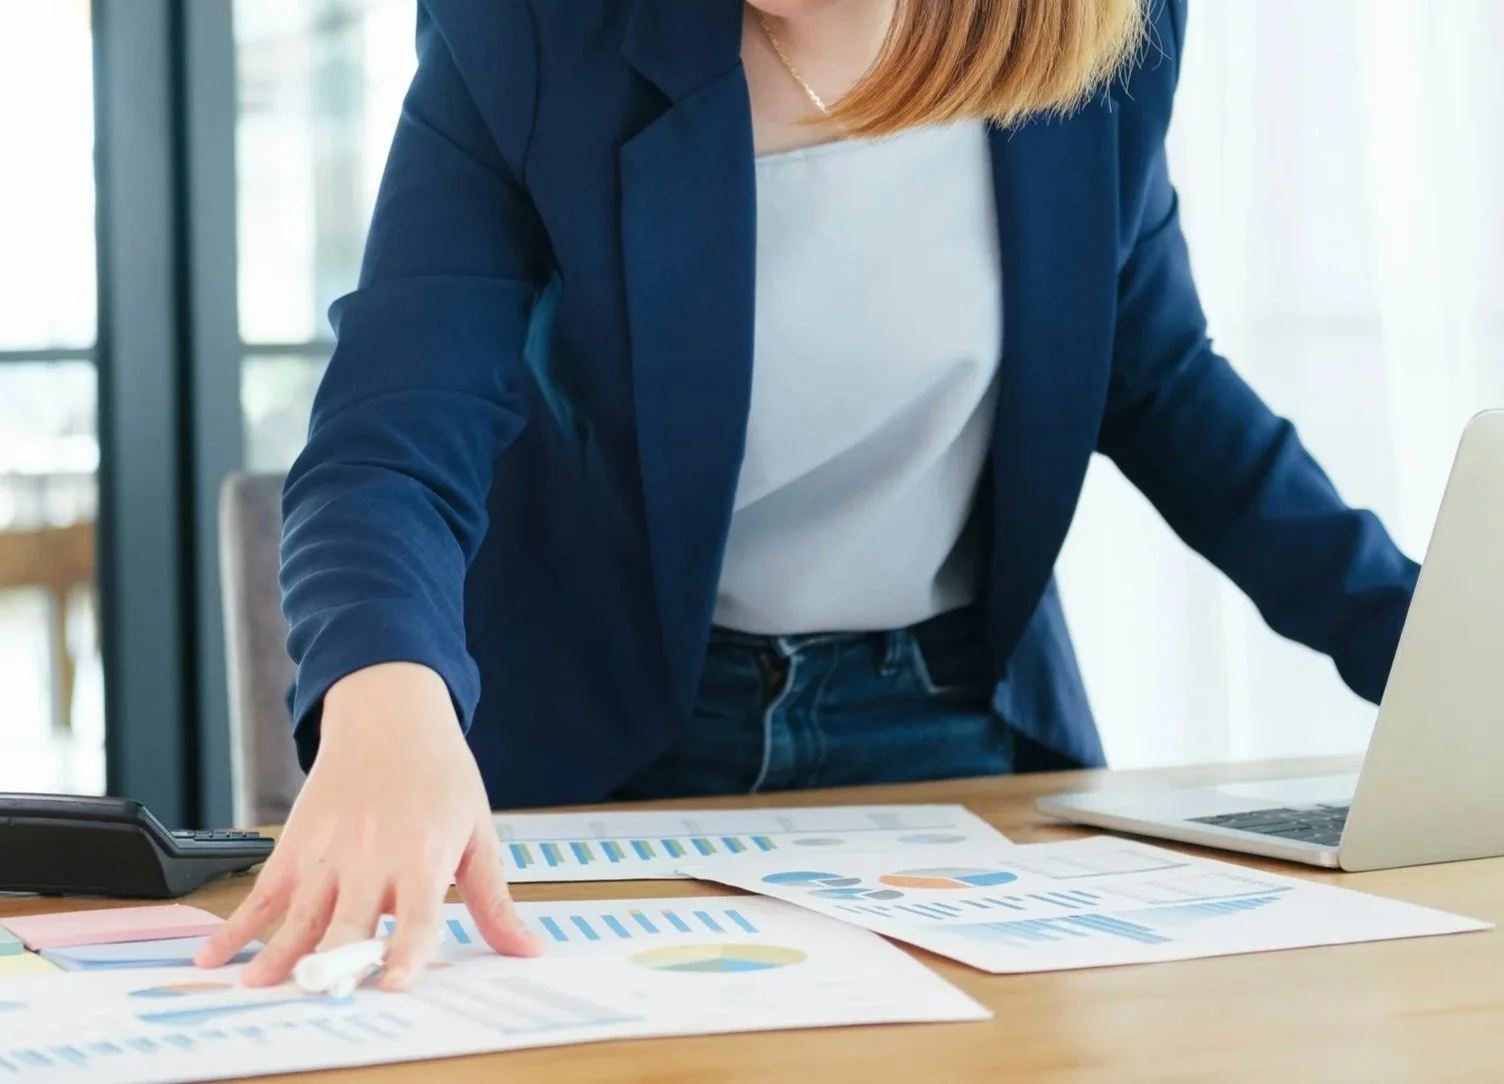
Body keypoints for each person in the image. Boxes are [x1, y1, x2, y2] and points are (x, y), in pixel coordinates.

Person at [198, 0, 1419, 990]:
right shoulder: (532, 33)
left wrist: (1428, 652)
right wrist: (386, 701)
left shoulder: (1098, 28)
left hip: (953, 734)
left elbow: (1155, 380)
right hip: (615, 744)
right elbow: (391, 441)